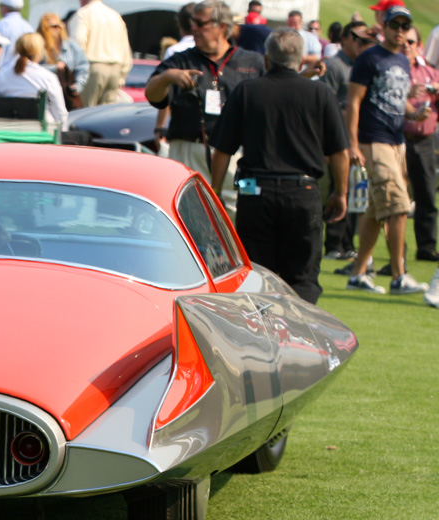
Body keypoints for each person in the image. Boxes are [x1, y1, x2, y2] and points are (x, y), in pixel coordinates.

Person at [209, 29, 349, 305]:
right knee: (303, 278)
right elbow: (339, 152)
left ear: (266, 59)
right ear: (300, 61)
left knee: (258, 276)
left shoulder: (247, 91)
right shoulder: (320, 93)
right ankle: (301, 340)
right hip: (303, 191)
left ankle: (262, 338)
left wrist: (214, 192)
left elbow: (222, 150)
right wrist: (340, 192)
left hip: (255, 192)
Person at [145, 0, 264, 218]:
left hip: (237, 156)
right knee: (188, 217)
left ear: (221, 26)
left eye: (201, 24)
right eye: (192, 23)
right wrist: (167, 77)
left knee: (238, 216)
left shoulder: (253, 62)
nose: (194, 29)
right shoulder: (181, 60)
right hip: (190, 150)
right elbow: (152, 94)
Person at [343, 5, 429, 295]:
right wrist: (353, 144)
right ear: (386, 26)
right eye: (396, 25)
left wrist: (413, 113)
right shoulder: (369, 58)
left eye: (405, 26)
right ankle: (398, 275)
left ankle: (358, 274)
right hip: (374, 140)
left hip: (396, 141)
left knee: (375, 210)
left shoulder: (402, 61)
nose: (400, 31)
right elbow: (354, 102)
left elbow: (394, 98)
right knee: (399, 206)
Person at [321, 20, 373, 261]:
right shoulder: (335, 65)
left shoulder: (362, 65)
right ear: (347, 38)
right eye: (359, 40)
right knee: (338, 188)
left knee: (356, 190)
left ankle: (347, 242)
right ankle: (333, 243)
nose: (362, 45)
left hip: (357, 138)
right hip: (337, 139)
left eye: (366, 41)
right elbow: (324, 103)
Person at [402, 25, 438, 264]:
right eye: (404, 41)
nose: (407, 46)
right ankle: (397, 253)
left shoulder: (430, 72)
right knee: (397, 200)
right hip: (399, 139)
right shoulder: (394, 69)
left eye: (411, 42)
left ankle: (426, 246)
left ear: (419, 45)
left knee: (425, 195)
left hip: (426, 140)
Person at [0, 33, 68, 129]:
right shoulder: (48, 77)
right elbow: (60, 112)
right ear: (40, 51)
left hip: (8, 131)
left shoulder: (2, 75)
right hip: (42, 133)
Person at [73, 0, 130, 107]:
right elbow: (125, 48)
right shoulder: (115, 16)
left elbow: (78, 42)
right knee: (106, 115)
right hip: (115, 70)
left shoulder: (83, 14)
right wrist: (122, 75)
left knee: (84, 113)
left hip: (93, 68)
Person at [36, 13, 87, 110]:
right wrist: (54, 68)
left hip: (66, 94)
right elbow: (32, 68)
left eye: (58, 26)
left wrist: (77, 86)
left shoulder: (71, 45)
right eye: (52, 27)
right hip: (46, 94)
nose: (56, 29)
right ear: (43, 28)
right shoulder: (38, 45)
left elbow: (82, 67)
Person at [0, 0, 31, 66]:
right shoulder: (29, 27)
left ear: (4, 8)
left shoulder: (1, 24)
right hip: (22, 71)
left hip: (2, 71)